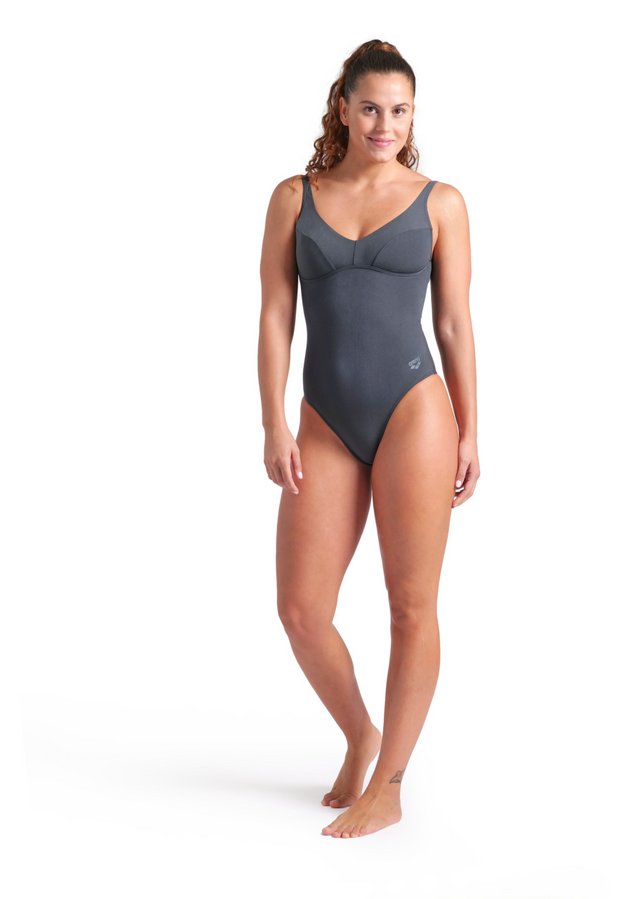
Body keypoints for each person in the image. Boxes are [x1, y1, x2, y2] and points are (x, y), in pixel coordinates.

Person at [258, 39, 479, 838]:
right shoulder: (294, 196)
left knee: (411, 604)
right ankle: (361, 732)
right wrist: (273, 418)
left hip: (415, 410)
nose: (387, 124)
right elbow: (275, 314)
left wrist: (471, 428)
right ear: (344, 110)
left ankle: (389, 784)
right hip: (323, 418)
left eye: (401, 110)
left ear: (413, 116)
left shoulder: (440, 202)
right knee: (300, 608)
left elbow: (452, 323)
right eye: (372, 109)